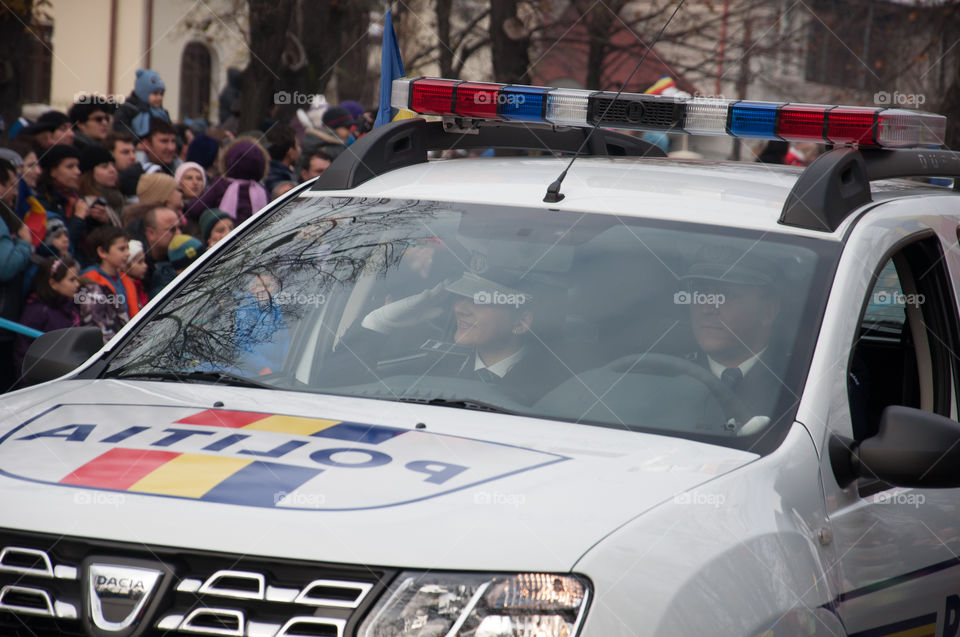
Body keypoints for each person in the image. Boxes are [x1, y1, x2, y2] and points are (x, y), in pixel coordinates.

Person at [358, 268, 566, 404]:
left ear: (521, 323)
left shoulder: (556, 387)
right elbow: (345, 389)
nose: (460, 308)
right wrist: (377, 323)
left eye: (481, 300)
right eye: (461, 298)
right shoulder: (437, 367)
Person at [681, 248, 784, 418]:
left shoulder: (801, 385)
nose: (707, 307)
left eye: (726, 295)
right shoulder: (662, 377)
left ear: (768, 311)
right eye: (700, 293)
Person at [13, 255, 81, 377]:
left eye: (77, 279)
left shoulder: (70, 306)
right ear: (53, 283)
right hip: (45, 382)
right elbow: (23, 352)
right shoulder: (37, 311)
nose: (77, 284)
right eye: (71, 280)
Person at [185, 137, 268, 225]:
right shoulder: (263, 191)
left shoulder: (221, 184)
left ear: (227, 160)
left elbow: (195, 209)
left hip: (226, 236)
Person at [78, 225, 137, 341]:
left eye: (127, 248)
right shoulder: (90, 280)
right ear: (102, 252)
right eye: (122, 249)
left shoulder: (124, 278)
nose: (128, 253)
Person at [125, 204, 180, 297]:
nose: (179, 234)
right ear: (151, 233)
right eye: (172, 229)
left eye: (180, 228)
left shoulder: (177, 253)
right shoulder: (135, 257)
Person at [113, 69, 171, 139]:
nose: (159, 98)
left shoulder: (163, 114)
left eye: (161, 94)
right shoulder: (128, 109)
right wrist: (137, 143)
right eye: (155, 94)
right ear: (143, 93)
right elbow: (120, 128)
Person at [78, 145, 123, 230]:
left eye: (113, 165)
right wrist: (105, 223)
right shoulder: (88, 204)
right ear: (90, 173)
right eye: (104, 166)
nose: (112, 170)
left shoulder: (115, 198)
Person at [264, 125, 299, 193]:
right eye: (298, 146)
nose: (300, 150)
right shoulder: (282, 181)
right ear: (290, 152)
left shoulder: (266, 173)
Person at [122, 239, 149, 310]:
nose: (145, 266)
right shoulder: (125, 291)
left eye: (144, 261)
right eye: (140, 262)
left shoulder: (139, 286)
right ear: (126, 266)